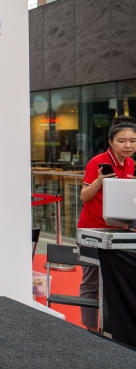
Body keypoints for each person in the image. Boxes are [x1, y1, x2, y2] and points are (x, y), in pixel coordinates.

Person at [76, 116, 136, 330]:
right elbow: (84, 196)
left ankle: (113, 328)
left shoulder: (132, 164)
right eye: (122, 140)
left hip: (120, 232)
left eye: (133, 140)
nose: (128, 145)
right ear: (111, 141)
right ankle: (90, 329)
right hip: (93, 230)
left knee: (118, 280)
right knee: (91, 281)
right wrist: (100, 180)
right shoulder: (97, 162)